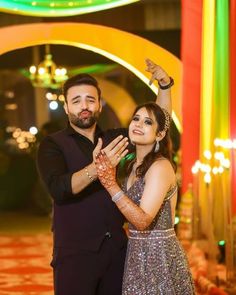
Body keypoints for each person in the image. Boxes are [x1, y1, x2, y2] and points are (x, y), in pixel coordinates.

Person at [37, 59, 172, 295]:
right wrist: (99, 168)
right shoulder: (53, 144)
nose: (84, 106)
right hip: (74, 253)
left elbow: (156, 125)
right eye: (76, 101)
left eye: (90, 99)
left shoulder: (115, 139)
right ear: (67, 107)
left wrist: (164, 85)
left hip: (118, 251)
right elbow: (58, 189)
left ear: (99, 104)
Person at [95, 103, 195, 294]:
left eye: (147, 122)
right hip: (135, 252)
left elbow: (142, 221)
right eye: (136, 119)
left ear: (159, 134)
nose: (138, 124)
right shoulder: (132, 165)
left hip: (159, 257)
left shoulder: (160, 167)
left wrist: (109, 183)